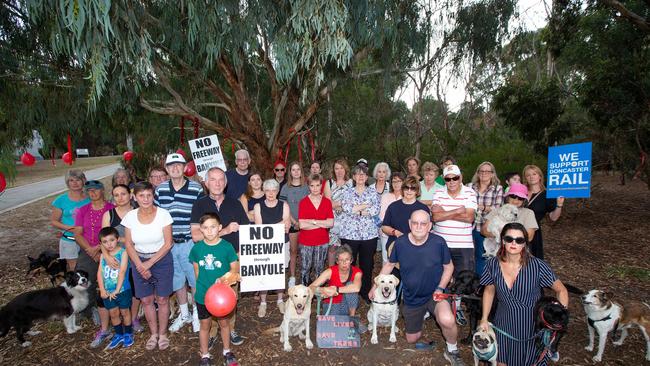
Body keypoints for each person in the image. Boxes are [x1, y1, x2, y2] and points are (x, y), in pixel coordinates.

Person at [371, 210, 464, 365]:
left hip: (435, 293)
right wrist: (375, 286)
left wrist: (440, 288)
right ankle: (422, 314)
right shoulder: (400, 243)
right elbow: (389, 264)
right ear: (409, 224)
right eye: (415, 223)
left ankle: (452, 349)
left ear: (430, 226)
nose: (419, 226)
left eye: (423, 223)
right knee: (411, 339)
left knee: (447, 319)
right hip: (412, 296)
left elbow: (449, 268)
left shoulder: (439, 242)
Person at [479, 222, 569, 366]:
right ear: (502, 240)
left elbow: (561, 290)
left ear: (525, 243)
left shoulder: (537, 266)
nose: (513, 243)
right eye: (509, 239)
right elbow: (489, 291)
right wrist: (484, 318)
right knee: (500, 361)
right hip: (503, 322)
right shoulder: (492, 264)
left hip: (531, 325)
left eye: (519, 240)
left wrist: (558, 318)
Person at [190, 167, 249, 346]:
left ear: (226, 183)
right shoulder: (199, 204)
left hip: (231, 258)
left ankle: (230, 329)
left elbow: (246, 230)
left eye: (221, 179)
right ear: (206, 183)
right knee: (209, 293)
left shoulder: (235, 204)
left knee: (230, 294)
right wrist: (225, 230)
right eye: (213, 180)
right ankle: (213, 332)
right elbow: (195, 236)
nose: (217, 183)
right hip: (208, 260)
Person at [156, 153, 204, 334]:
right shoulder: (160, 190)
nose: (175, 168)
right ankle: (184, 314)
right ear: (167, 170)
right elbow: (156, 216)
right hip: (168, 244)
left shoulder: (195, 188)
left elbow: (201, 216)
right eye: (171, 166)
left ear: (185, 168)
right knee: (177, 281)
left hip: (190, 242)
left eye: (179, 165)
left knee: (194, 279)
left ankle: (197, 314)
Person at [122, 181, 174, 351]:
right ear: (134, 197)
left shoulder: (163, 214)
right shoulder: (130, 217)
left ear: (153, 196)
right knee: (146, 299)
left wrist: (149, 263)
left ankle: (163, 333)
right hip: (138, 260)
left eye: (149, 195)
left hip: (161, 260)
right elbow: (128, 244)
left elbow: (168, 243)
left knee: (162, 299)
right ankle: (153, 334)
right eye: (141, 196)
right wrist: (139, 266)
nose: (145, 199)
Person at [190, 213, 240, 366]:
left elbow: (235, 269)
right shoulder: (197, 249)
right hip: (203, 295)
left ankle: (227, 351)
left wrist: (225, 279)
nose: (209, 231)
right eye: (205, 228)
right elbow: (197, 273)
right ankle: (205, 355)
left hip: (222, 297)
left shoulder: (226, 247)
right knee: (205, 325)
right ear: (201, 230)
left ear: (219, 228)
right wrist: (203, 290)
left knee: (224, 323)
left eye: (213, 227)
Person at [70, 180, 114, 348]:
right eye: (89, 191)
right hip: (88, 250)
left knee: (109, 281)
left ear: (102, 190)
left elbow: (114, 231)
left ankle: (112, 311)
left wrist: (100, 248)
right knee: (82, 280)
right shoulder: (83, 210)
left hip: (108, 249)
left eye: (96, 190)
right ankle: (87, 309)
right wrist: (90, 249)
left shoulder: (110, 208)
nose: (93, 193)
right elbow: (78, 233)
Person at [101, 184, 142, 333]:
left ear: (130, 195)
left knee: (134, 289)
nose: (120, 197)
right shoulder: (109, 215)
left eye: (123, 194)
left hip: (135, 256)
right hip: (115, 260)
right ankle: (118, 319)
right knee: (117, 288)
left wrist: (123, 240)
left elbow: (142, 237)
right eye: (116, 195)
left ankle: (133, 317)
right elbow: (103, 240)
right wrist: (106, 257)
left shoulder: (138, 212)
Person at [339, 165, 380, 303]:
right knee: (348, 264)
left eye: (363, 174)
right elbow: (347, 208)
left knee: (367, 265)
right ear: (354, 177)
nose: (361, 176)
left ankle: (365, 292)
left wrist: (357, 209)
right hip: (350, 235)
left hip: (369, 235)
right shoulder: (347, 192)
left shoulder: (373, 193)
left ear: (367, 177)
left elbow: (375, 210)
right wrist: (365, 206)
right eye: (357, 174)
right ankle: (348, 292)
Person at [253, 179, 290, 317]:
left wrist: (279, 226)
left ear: (278, 191)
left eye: (273, 190)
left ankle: (280, 299)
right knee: (264, 272)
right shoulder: (258, 206)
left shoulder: (284, 205)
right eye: (267, 190)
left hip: (282, 243)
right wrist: (279, 225)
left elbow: (287, 226)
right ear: (263, 191)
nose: (270, 193)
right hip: (264, 244)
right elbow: (259, 228)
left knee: (280, 271)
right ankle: (263, 302)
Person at [432, 165, 477, 275]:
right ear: (444, 180)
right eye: (448, 179)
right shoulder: (438, 193)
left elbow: (470, 218)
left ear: (460, 177)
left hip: (463, 245)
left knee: (465, 282)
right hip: (440, 244)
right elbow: (436, 217)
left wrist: (444, 211)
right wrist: (456, 211)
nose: (451, 182)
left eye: (455, 178)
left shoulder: (470, 193)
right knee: (440, 279)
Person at [97, 227, 134, 350]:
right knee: (113, 313)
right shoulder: (103, 256)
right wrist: (102, 289)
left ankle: (128, 333)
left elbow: (122, 271)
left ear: (118, 239)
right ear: (101, 243)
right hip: (108, 292)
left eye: (112, 240)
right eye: (105, 242)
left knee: (125, 312)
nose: (109, 244)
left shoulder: (123, 252)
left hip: (122, 290)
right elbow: (100, 273)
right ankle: (119, 335)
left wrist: (117, 290)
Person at [297, 174, 334, 286]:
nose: (315, 188)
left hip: (322, 241)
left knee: (319, 268)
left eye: (317, 185)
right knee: (305, 268)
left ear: (321, 186)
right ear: (308, 186)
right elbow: (302, 225)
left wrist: (312, 222)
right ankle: (303, 293)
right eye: (312, 185)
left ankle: (318, 294)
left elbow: (331, 223)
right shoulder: (303, 202)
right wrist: (321, 223)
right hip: (306, 241)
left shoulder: (327, 202)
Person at [51, 169, 89, 271]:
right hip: (69, 240)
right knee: (74, 269)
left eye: (78, 180)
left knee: (90, 266)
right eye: (71, 180)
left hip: (88, 238)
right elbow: (54, 221)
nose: (75, 183)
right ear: (68, 183)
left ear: (83, 181)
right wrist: (69, 228)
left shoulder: (90, 198)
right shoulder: (60, 200)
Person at [522, 165, 564, 259]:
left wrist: (559, 205)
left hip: (533, 232)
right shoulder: (521, 192)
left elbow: (553, 217)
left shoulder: (547, 195)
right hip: (515, 229)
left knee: (530, 262)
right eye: (528, 175)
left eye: (534, 174)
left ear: (540, 176)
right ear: (525, 178)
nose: (531, 177)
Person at [381, 176, 429, 257]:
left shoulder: (423, 208)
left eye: (413, 188)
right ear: (402, 189)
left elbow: (428, 230)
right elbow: (384, 227)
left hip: (418, 248)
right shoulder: (393, 206)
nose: (409, 191)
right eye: (407, 187)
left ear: (417, 191)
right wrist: (395, 232)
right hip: (395, 246)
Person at [279, 162, 309, 287]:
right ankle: (292, 276)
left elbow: (310, 205)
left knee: (304, 251)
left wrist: (302, 222)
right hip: (291, 223)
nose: (296, 172)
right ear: (290, 172)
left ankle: (304, 276)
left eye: (298, 169)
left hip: (305, 224)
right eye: (293, 170)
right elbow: (283, 206)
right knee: (293, 250)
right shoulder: (285, 187)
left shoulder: (307, 187)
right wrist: (294, 221)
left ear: (301, 172)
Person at [470, 162, 504, 275]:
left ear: (492, 174)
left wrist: (483, 208)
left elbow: (498, 209)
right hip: (468, 226)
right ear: (478, 173)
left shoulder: (497, 189)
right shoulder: (469, 186)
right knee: (469, 256)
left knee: (482, 256)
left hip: (486, 228)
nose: (484, 173)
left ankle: (483, 283)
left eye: (487, 171)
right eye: (481, 171)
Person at [309, 245, 362, 316]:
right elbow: (311, 287)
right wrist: (323, 289)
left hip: (347, 304)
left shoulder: (357, 272)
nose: (344, 263)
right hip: (332, 302)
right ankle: (341, 319)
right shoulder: (330, 271)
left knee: (350, 285)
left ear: (351, 260)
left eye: (347, 259)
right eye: (341, 260)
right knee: (332, 323)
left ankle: (351, 318)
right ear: (337, 261)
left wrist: (336, 289)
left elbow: (356, 288)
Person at [323, 158, 352, 266]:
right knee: (332, 249)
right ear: (333, 170)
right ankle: (332, 273)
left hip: (348, 222)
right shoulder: (329, 183)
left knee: (346, 250)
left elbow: (353, 203)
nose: (339, 171)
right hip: (333, 221)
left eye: (341, 168)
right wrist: (343, 204)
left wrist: (338, 204)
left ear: (345, 169)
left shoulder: (351, 183)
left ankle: (345, 276)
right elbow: (327, 204)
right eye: (336, 168)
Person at [379, 172, 404, 263]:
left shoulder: (407, 196)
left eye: (399, 181)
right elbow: (381, 216)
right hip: (387, 233)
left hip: (403, 233)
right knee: (386, 260)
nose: (396, 184)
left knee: (402, 259)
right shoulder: (385, 197)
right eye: (394, 181)